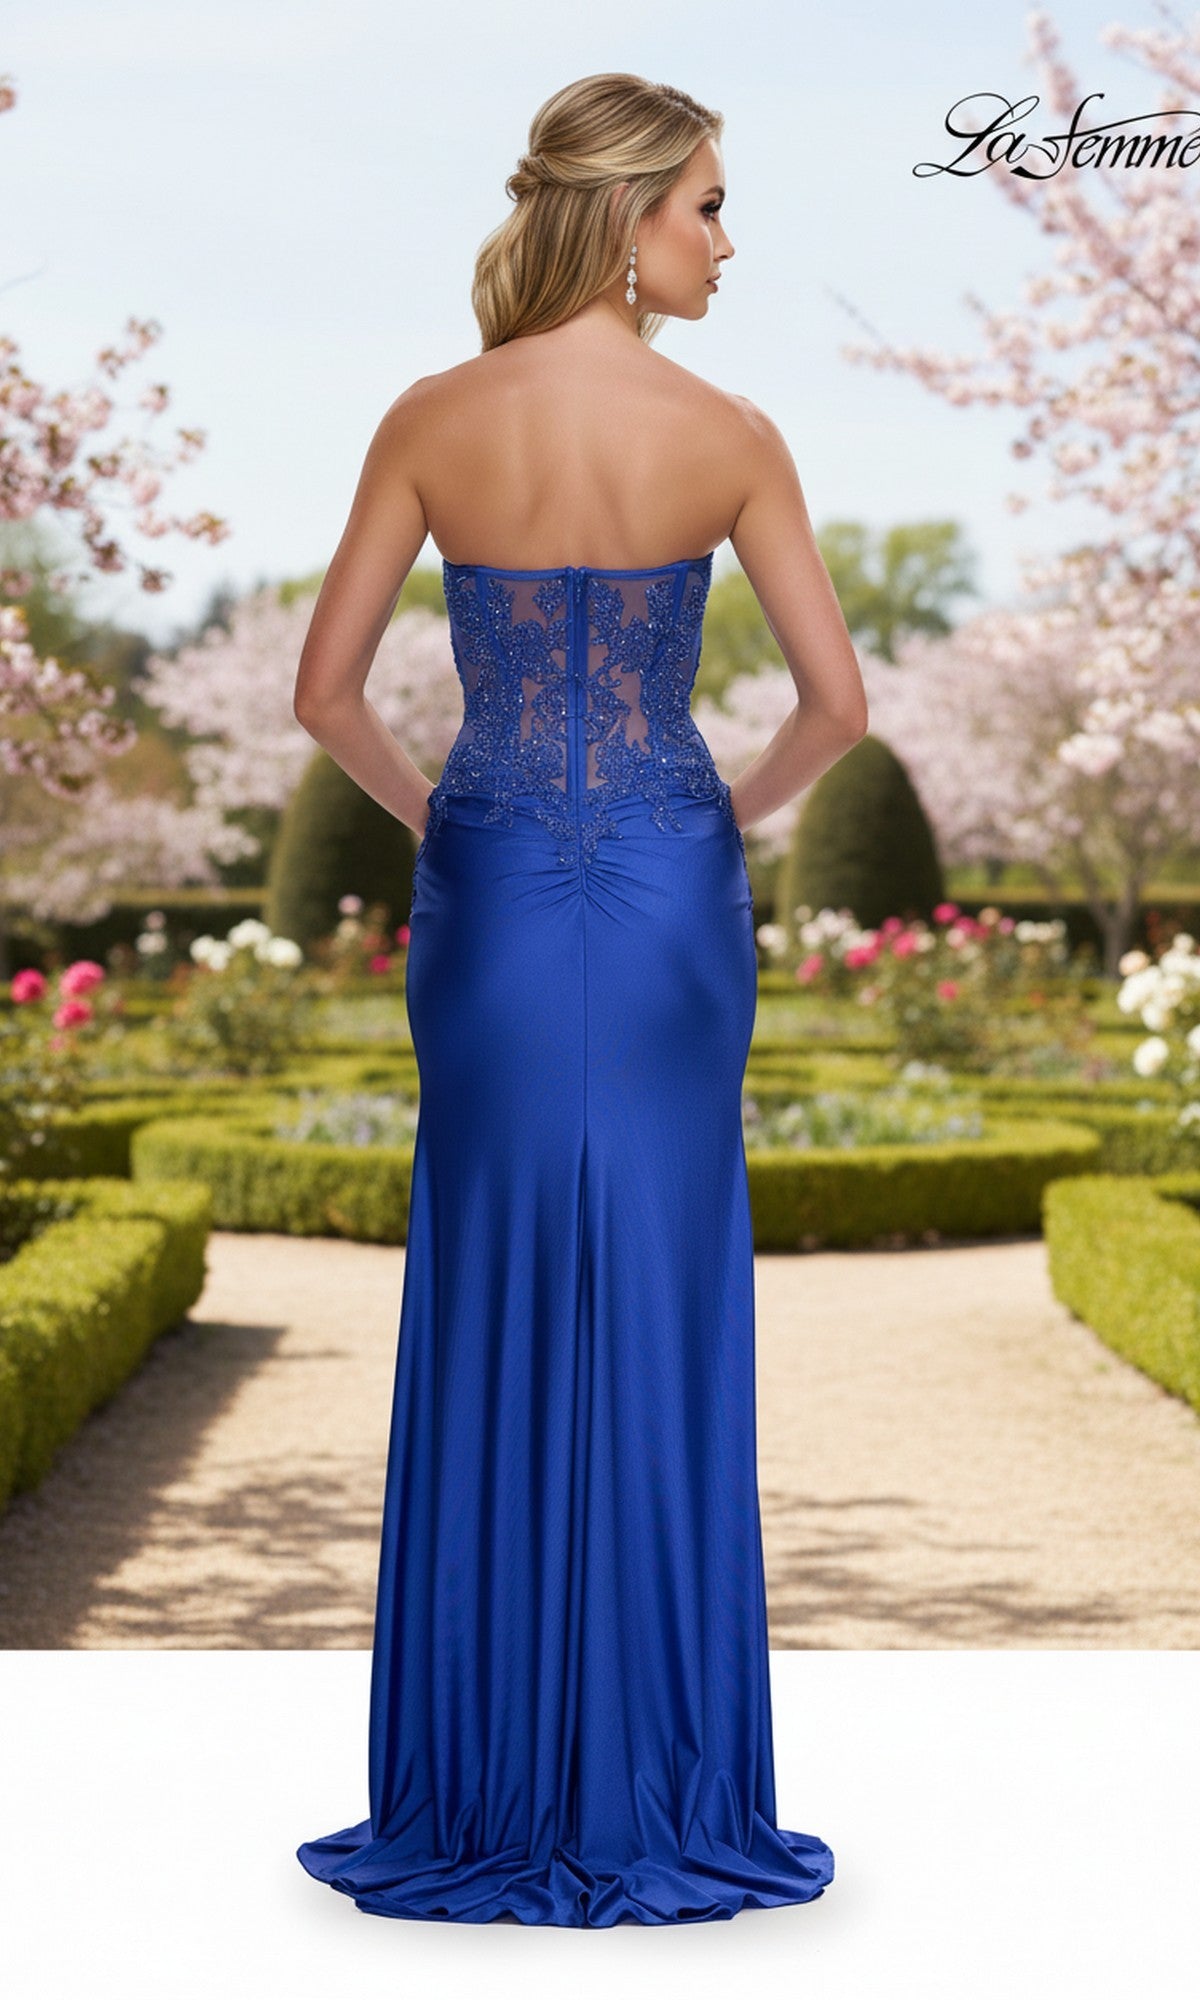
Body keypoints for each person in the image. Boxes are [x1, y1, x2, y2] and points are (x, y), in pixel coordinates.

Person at [292, 71, 867, 1928]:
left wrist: (453, 818)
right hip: (675, 894)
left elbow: (325, 695)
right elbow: (835, 713)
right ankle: (666, 1777)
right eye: (708, 204)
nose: (724, 239)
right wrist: (714, 823)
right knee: (666, 1286)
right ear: (625, 220)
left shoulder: (434, 418)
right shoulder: (731, 433)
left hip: (497, 897)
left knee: (495, 1275)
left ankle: (480, 1783)